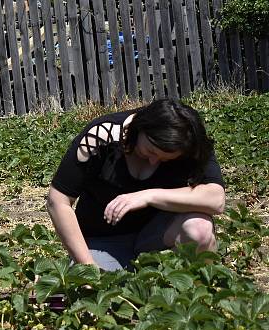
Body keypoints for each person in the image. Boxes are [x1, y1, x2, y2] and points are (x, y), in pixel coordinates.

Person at [46, 99, 225, 271]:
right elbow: (58, 201)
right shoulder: (102, 136)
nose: (154, 162)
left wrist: (149, 196)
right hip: (103, 242)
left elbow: (216, 199)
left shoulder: (188, 139)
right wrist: (88, 268)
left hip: (160, 235)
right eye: (150, 151)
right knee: (91, 293)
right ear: (140, 129)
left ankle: (200, 289)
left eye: (166, 159)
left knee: (199, 229)